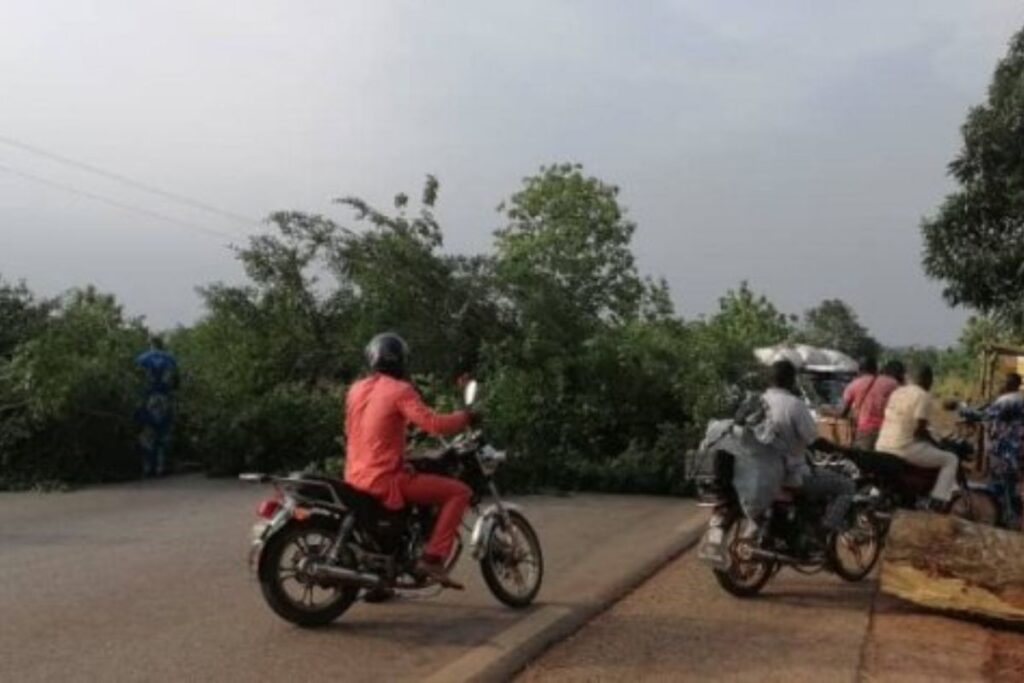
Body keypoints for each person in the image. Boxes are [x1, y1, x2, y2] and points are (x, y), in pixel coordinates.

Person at [344, 332, 475, 589]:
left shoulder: (356, 389)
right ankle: (433, 557)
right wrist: (465, 417)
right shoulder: (400, 390)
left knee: (413, 473)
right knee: (459, 492)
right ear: (401, 361)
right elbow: (433, 423)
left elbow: (353, 432)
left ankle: (386, 571)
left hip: (354, 476)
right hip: (382, 479)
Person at [758, 360, 854, 535]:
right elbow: (814, 441)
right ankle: (824, 529)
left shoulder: (757, 401)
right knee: (846, 486)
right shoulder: (794, 405)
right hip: (792, 475)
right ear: (791, 380)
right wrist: (841, 450)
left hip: (761, 474)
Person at [876, 365, 958, 511]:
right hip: (903, 447)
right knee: (950, 459)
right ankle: (937, 501)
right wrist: (938, 444)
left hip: (882, 444)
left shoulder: (898, 392)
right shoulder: (923, 395)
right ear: (928, 379)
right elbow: (919, 430)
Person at [978, 373, 1023, 528]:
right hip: (1017, 447)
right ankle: (1013, 515)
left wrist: (963, 410)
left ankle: (1002, 516)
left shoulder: (1006, 400)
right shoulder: (1019, 399)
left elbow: (985, 414)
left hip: (1005, 448)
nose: (1001, 384)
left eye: (1003, 381)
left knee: (999, 481)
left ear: (1010, 384)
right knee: (1011, 482)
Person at [135, 336, 179, 477]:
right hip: (165, 399)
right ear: (162, 344)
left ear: (150, 345)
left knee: (147, 432)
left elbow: (134, 381)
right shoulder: (170, 359)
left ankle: (147, 467)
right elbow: (176, 382)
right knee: (164, 432)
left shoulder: (141, 359)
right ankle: (161, 466)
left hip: (147, 399)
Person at [841, 359, 905, 451]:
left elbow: (843, 413)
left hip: (865, 433)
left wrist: (827, 410)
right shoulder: (892, 383)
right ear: (876, 370)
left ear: (859, 371)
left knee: (864, 462)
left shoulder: (853, 385)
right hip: (889, 433)